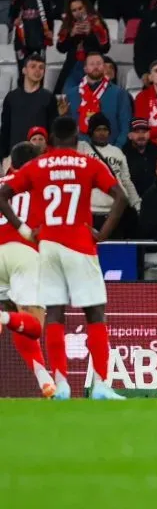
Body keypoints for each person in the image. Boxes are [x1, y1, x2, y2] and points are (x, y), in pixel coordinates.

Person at [0, 116, 128, 400]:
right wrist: (102, 233)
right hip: (79, 245)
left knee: (55, 314)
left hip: (47, 247)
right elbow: (121, 197)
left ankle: (61, 384)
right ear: (76, 138)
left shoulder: (36, 166)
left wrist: (22, 228)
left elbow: (3, 194)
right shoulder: (89, 163)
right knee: (94, 314)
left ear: (53, 140)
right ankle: (102, 386)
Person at [0, 142, 57, 398]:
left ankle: (44, 379)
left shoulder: (3, 182)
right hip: (24, 255)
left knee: (16, 319)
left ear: (11, 165)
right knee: (32, 323)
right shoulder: (43, 187)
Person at [78, 113, 142, 237]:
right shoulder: (82, 148)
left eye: (105, 129)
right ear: (91, 132)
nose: (102, 133)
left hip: (114, 213)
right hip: (89, 213)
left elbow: (126, 181)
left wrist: (137, 205)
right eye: (98, 130)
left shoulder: (117, 152)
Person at [64, 50, 133, 147]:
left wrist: (117, 149)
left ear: (104, 67)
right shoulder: (72, 94)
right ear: (85, 69)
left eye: (99, 64)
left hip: (111, 151)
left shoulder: (119, 93)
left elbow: (125, 125)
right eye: (92, 64)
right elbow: (67, 126)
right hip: (80, 150)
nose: (96, 67)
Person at [0, 54, 57, 162]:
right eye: (33, 66)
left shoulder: (49, 98)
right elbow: (5, 130)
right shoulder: (11, 98)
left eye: (41, 67)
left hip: (40, 158)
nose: (37, 70)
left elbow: (53, 131)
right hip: (15, 158)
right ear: (24, 70)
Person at [53, 0, 109, 94]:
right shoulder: (68, 24)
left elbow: (105, 48)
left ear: (86, 7)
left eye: (80, 8)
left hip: (93, 66)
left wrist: (92, 33)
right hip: (73, 66)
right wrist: (71, 34)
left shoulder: (97, 22)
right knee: (66, 95)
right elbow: (61, 48)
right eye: (74, 10)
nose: (78, 12)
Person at [9, 0, 56, 69]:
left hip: (39, 40)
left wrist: (50, 31)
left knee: (39, 71)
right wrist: (14, 20)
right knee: (23, 72)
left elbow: (50, 16)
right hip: (22, 42)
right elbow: (12, 16)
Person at [122, 119, 157, 196]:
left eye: (144, 132)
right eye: (137, 132)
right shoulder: (123, 154)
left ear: (149, 134)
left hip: (154, 198)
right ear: (129, 135)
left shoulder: (156, 150)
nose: (141, 136)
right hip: (131, 200)